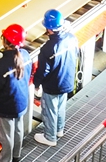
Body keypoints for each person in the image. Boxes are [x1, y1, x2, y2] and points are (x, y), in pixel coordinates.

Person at [0, 24, 30, 162]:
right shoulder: (26, 55)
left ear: (5, 41)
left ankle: (4, 161)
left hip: (7, 105)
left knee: (6, 135)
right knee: (18, 129)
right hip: (22, 101)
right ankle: (16, 155)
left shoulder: (2, 65)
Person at [33, 8, 76, 146]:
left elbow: (43, 70)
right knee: (61, 107)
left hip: (52, 85)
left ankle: (50, 137)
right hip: (67, 81)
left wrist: (36, 83)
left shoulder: (47, 48)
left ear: (48, 28)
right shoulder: (71, 38)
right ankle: (59, 130)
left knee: (50, 111)